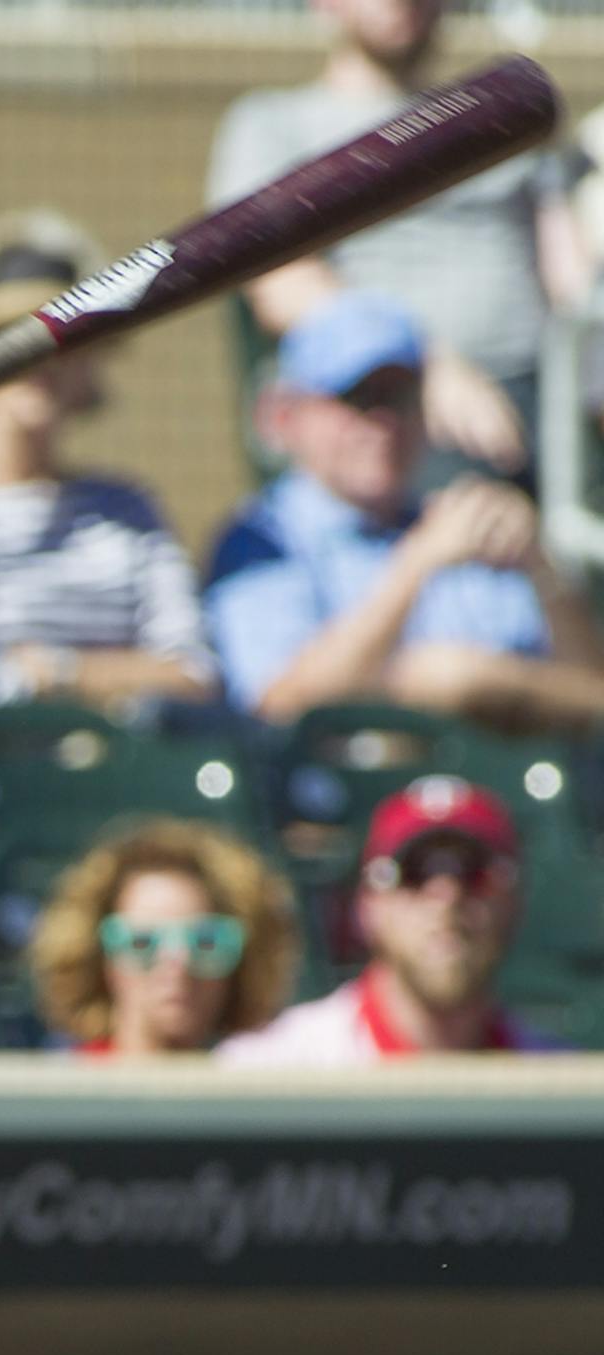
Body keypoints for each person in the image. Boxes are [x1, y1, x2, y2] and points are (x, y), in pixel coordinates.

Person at [205, 0, 589, 488]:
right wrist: (426, 367)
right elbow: (281, 286)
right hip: (390, 408)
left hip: (544, 399)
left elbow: (572, 277)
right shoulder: (275, 122)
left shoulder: (498, 115)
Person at [0, 209, 218, 726]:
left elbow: (196, 678)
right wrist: (126, 682)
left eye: (64, 339)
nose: (38, 361)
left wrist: (55, 670)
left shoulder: (128, 507)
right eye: (7, 335)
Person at [204, 291, 604, 730]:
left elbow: (593, 701)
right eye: (356, 398)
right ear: (284, 416)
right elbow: (277, 711)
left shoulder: (469, 525)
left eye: (398, 397)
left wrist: (541, 571)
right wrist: (417, 565)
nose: (383, 424)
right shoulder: (263, 539)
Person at [220, 776, 553, 1062]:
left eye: (474, 872)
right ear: (367, 904)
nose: (446, 896)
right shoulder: (276, 1070)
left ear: (514, 901)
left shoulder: (561, 1085)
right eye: (414, 871)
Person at [30, 817, 298, 1055]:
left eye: (206, 942)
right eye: (142, 942)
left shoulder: (258, 1099)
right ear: (98, 959)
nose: (177, 963)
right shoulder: (62, 1101)